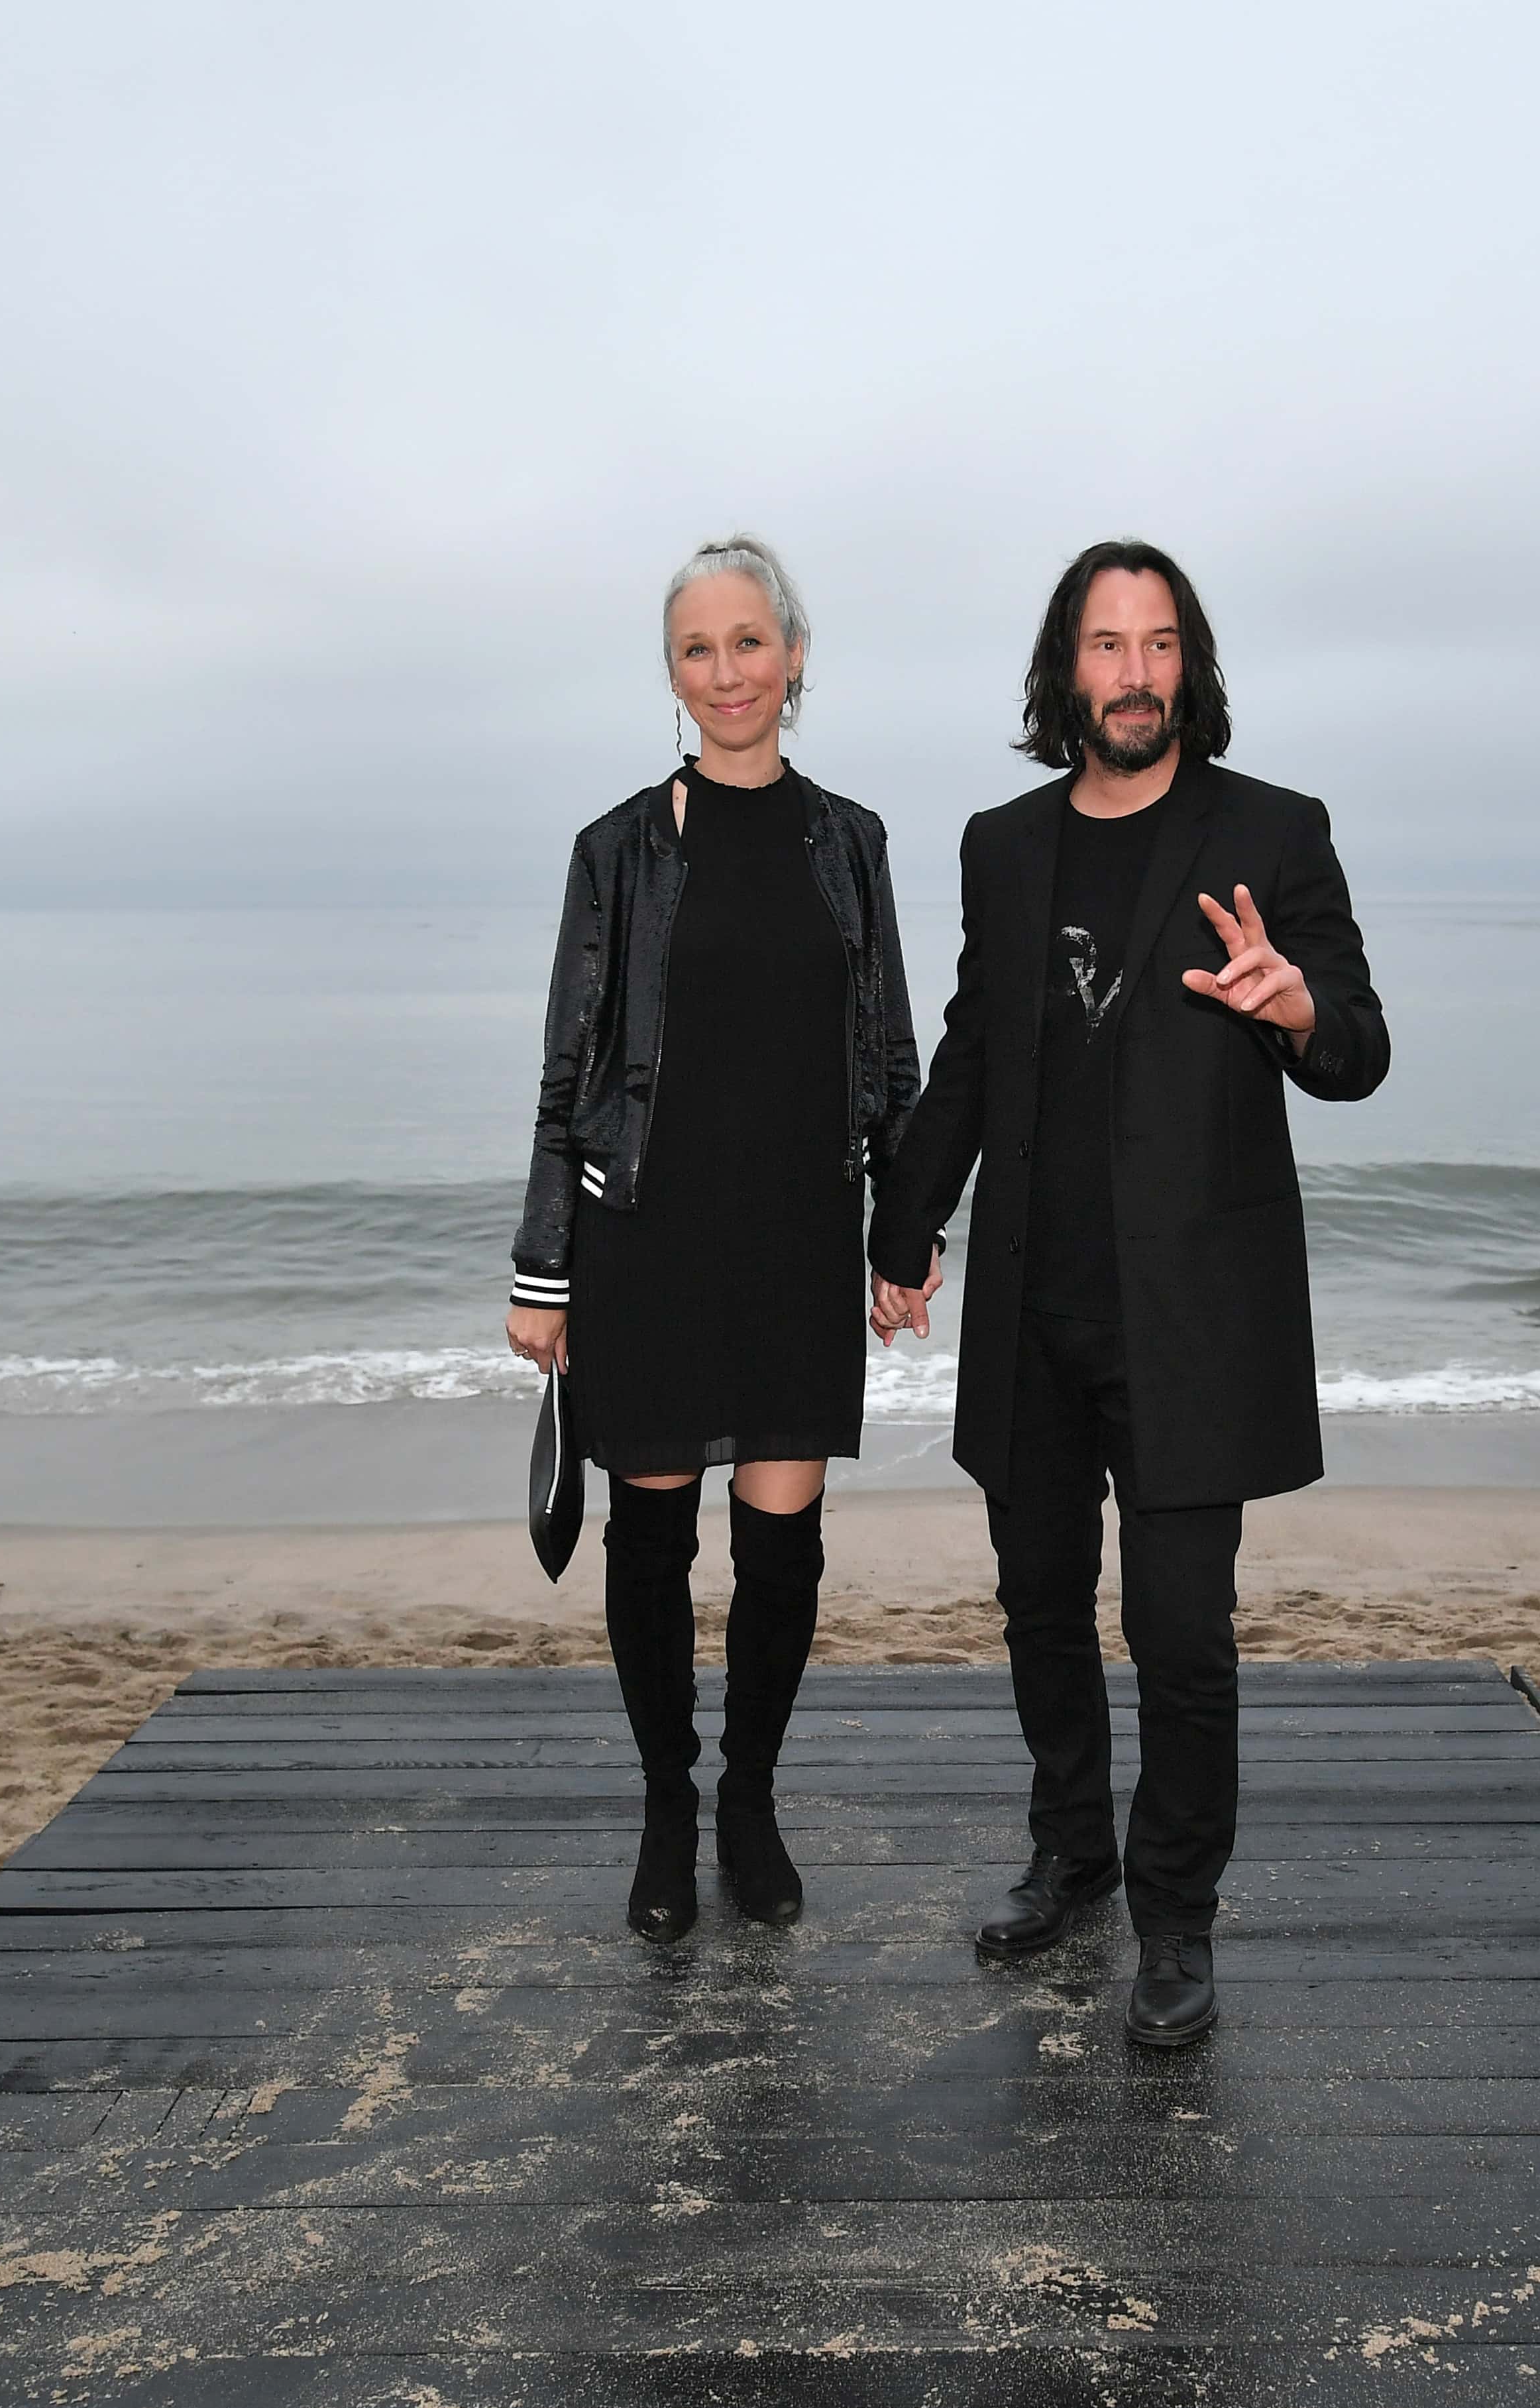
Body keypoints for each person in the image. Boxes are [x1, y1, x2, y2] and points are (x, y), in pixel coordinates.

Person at [866, 539, 1388, 2047]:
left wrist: (1295, 1009)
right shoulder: (1003, 843)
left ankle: (1177, 1916)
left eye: (1161, 645)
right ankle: (1074, 1853)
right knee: (1040, 1607)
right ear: (1064, 670)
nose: (1136, 673)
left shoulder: (1272, 831)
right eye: (1108, 646)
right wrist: (904, 1222)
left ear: (1191, 667)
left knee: (1182, 1635)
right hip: (1034, 1304)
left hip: (1192, 1318)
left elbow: (1357, 1040)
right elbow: (974, 1046)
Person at [507, 535, 918, 1945]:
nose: (727, 672)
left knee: (784, 1545)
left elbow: (892, 1061)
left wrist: (902, 1237)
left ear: (793, 658)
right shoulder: (616, 851)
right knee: (653, 1535)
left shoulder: (849, 840)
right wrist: (543, 1268)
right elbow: (572, 1071)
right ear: (673, 672)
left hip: (800, 1237)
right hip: (653, 1241)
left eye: (751, 643)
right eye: (699, 648)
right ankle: (668, 1807)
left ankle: (751, 1798)